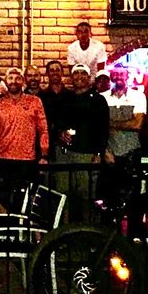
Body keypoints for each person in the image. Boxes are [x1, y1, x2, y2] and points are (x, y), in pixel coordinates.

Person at [51, 64, 110, 224]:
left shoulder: (98, 100)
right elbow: (54, 123)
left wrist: (99, 154)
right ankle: (64, 234)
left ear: (89, 77)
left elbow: (103, 129)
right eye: (75, 73)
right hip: (64, 154)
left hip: (87, 155)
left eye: (83, 73)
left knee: (87, 196)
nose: (79, 76)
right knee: (63, 195)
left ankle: (88, 235)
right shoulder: (64, 98)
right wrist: (59, 134)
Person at [0, 67, 49, 205]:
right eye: (10, 78)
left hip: (27, 159)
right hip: (3, 158)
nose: (14, 81)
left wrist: (44, 155)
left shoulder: (35, 101)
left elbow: (43, 129)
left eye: (18, 78)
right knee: (3, 198)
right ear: (5, 81)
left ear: (23, 81)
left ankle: (22, 226)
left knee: (25, 200)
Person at [103, 66, 145, 164]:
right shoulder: (102, 97)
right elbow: (98, 127)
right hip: (109, 154)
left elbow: (137, 124)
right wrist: (105, 152)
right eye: (115, 74)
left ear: (127, 76)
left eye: (122, 74)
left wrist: (109, 123)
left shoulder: (138, 96)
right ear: (111, 77)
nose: (118, 77)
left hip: (133, 152)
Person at [38, 59, 72, 161]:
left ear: (62, 72)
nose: (55, 72)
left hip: (67, 144)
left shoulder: (71, 95)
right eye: (52, 70)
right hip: (47, 145)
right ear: (47, 73)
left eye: (57, 70)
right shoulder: (41, 97)